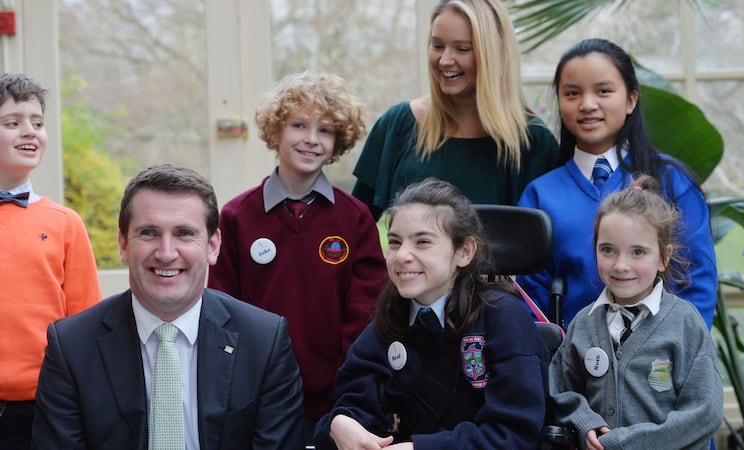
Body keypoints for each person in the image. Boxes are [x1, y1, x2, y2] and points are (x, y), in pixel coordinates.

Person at [31, 164, 305, 449]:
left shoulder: (263, 342)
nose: (166, 253)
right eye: (148, 233)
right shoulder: (71, 347)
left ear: (213, 246)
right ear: (123, 244)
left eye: (184, 233)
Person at [207, 71, 386, 441]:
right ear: (276, 131)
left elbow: (367, 310)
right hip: (255, 395)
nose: (311, 139)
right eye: (299, 125)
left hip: (335, 400)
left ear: (338, 141)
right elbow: (221, 309)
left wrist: (347, 381)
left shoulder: (354, 217)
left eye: (325, 130)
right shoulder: (237, 216)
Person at [313, 178, 550, 449]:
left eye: (422, 242)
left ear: (464, 251)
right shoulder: (390, 319)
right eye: (395, 242)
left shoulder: (503, 318)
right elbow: (354, 399)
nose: (402, 255)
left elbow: (513, 434)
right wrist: (340, 423)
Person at [517, 38, 717, 328]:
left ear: (631, 99)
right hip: (571, 364)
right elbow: (529, 301)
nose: (587, 104)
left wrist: (680, 357)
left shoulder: (673, 182)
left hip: (661, 366)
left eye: (603, 91)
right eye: (572, 93)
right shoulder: (539, 195)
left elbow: (697, 284)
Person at [548, 175, 723, 450]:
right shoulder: (584, 323)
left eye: (638, 252)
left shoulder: (685, 323)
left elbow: (703, 413)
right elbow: (560, 389)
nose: (621, 265)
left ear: (664, 257)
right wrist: (585, 421)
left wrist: (628, 443)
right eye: (608, 250)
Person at [351, 0, 560, 220]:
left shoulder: (533, 143)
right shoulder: (399, 124)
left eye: (462, 49)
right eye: (438, 45)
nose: (444, 60)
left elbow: (551, 242)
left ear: (493, 55)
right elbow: (352, 229)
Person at [0, 72, 101, 450]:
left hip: (45, 404)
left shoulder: (65, 224)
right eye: (13, 123)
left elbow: (86, 322)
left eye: (37, 123)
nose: (30, 131)